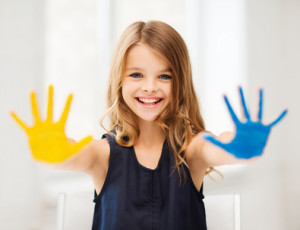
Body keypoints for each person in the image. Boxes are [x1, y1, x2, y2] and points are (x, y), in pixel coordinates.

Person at [10, 21, 287, 230]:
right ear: (120, 81)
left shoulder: (192, 150)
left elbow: (220, 147)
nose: (150, 87)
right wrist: (55, 152)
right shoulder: (102, 155)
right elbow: (75, 155)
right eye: (137, 74)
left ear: (180, 81)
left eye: (164, 76)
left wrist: (240, 147)